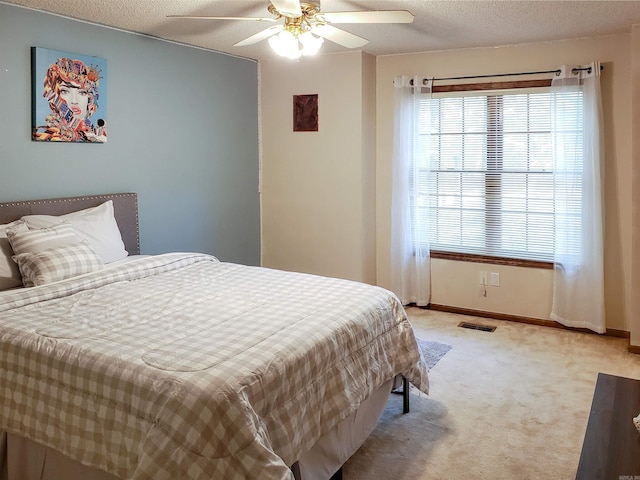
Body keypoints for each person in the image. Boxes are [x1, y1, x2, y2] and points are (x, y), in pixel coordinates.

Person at [33, 57, 107, 142]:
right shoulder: (47, 133)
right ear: (56, 93)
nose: (74, 101)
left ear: (90, 99)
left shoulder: (93, 131)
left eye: (82, 93)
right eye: (65, 91)